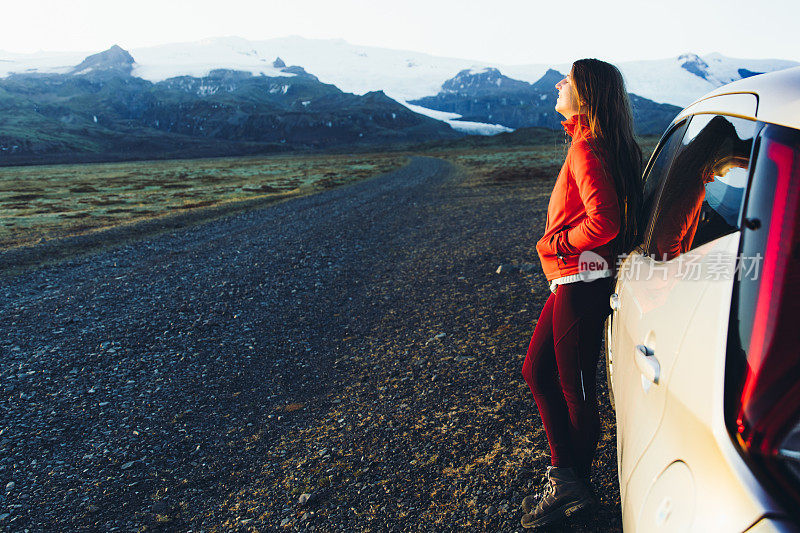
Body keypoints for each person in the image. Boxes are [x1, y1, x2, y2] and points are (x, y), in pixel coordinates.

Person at [519, 58, 644, 529]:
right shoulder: (598, 144)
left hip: (580, 280)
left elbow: (605, 221)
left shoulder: (587, 149)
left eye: (567, 81)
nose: (558, 84)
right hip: (579, 280)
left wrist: (556, 243)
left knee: (575, 387)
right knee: (537, 370)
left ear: (586, 95)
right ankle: (569, 480)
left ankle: (570, 486)